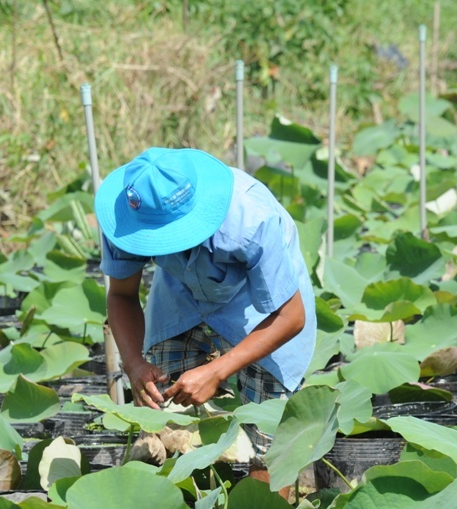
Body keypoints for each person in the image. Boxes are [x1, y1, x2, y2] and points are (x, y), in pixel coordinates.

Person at [94, 147, 316, 452]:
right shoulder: (126, 215)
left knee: (267, 445)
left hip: (259, 306)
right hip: (179, 292)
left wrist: (216, 371)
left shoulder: (250, 218)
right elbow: (121, 295)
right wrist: (133, 363)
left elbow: (291, 317)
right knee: (169, 423)